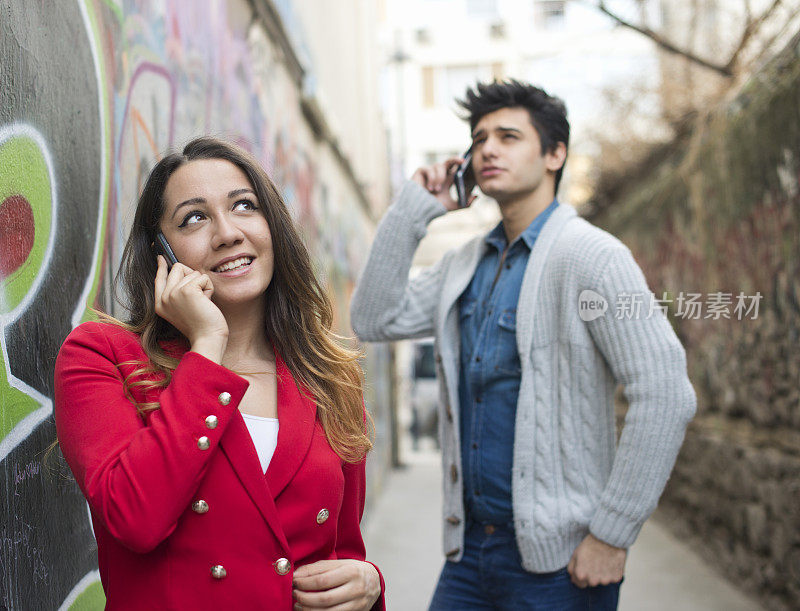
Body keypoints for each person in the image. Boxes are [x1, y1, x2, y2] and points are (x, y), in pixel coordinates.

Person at [350, 80, 696, 610]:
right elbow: (374, 318)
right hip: (467, 555)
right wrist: (414, 211)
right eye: (480, 138)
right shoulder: (463, 265)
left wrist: (611, 534)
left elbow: (665, 391)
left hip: (561, 566)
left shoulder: (592, 257)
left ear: (555, 153)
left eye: (509, 136)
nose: (488, 149)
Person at [54, 137, 385, 610]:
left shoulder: (329, 377)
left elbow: (343, 552)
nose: (227, 233)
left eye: (244, 206)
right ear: (162, 252)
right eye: (194, 217)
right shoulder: (102, 357)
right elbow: (133, 517)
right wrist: (208, 346)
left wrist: (368, 582)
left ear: (273, 226)